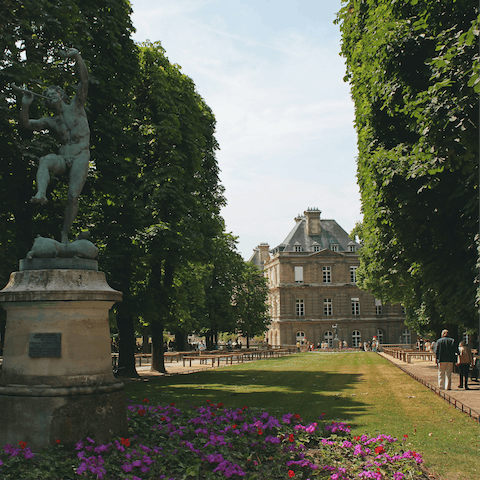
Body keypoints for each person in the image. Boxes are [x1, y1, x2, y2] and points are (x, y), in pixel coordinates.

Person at [19, 48, 90, 244]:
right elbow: (26, 125)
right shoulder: (50, 121)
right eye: (48, 97)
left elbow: (84, 81)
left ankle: (64, 234)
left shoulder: (76, 106)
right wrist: (25, 106)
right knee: (45, 160)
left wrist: (77, 56)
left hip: (80, 155)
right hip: (63, 156)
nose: (50, 98)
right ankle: (41, 194)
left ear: (61, 95)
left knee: (72, 196)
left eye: (53, 94)